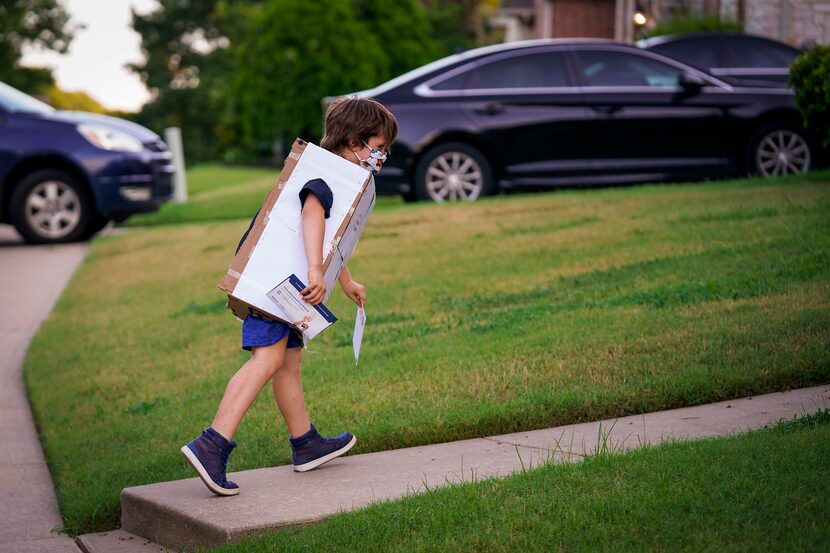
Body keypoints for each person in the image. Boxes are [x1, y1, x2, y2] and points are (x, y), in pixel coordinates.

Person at [181, 97, 398, 496]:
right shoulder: (324, 175)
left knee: (287, 364)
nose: (380, 156)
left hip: (289, 293)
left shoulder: (334, 174)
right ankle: (211, 444)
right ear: (353, 141)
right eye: (377, 146)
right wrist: (316, 272)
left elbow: (328, 238)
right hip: (276, 287)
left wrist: (344, 280)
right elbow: (311, 216)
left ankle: (305, 444)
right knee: (268, 359)